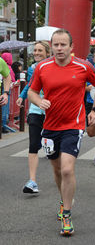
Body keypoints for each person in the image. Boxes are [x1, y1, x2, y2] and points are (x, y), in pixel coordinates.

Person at [28, 29, 95, 236]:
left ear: (71, 47)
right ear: (51, 46)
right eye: (56, 45)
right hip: (50, 127)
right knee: (56, 169)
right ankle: (64, 199)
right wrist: (39, 101)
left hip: (73, 125)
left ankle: (67, 214)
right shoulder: (42, 67)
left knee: (67, 170)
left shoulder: (83, 66)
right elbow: (31, 91)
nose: (59, 48)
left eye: (64, 45)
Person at [16, 41, 51, 194]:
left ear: (47, 53)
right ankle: (32, 181)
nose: (36, 53)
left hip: (52, 110)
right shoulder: (32, 68)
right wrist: (21, 96)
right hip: (36, 109)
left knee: (54, 146)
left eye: (40, 50)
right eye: (35, 50)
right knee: (33, 145)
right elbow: (31, 85)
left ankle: (63, 173)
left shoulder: (53, 67)